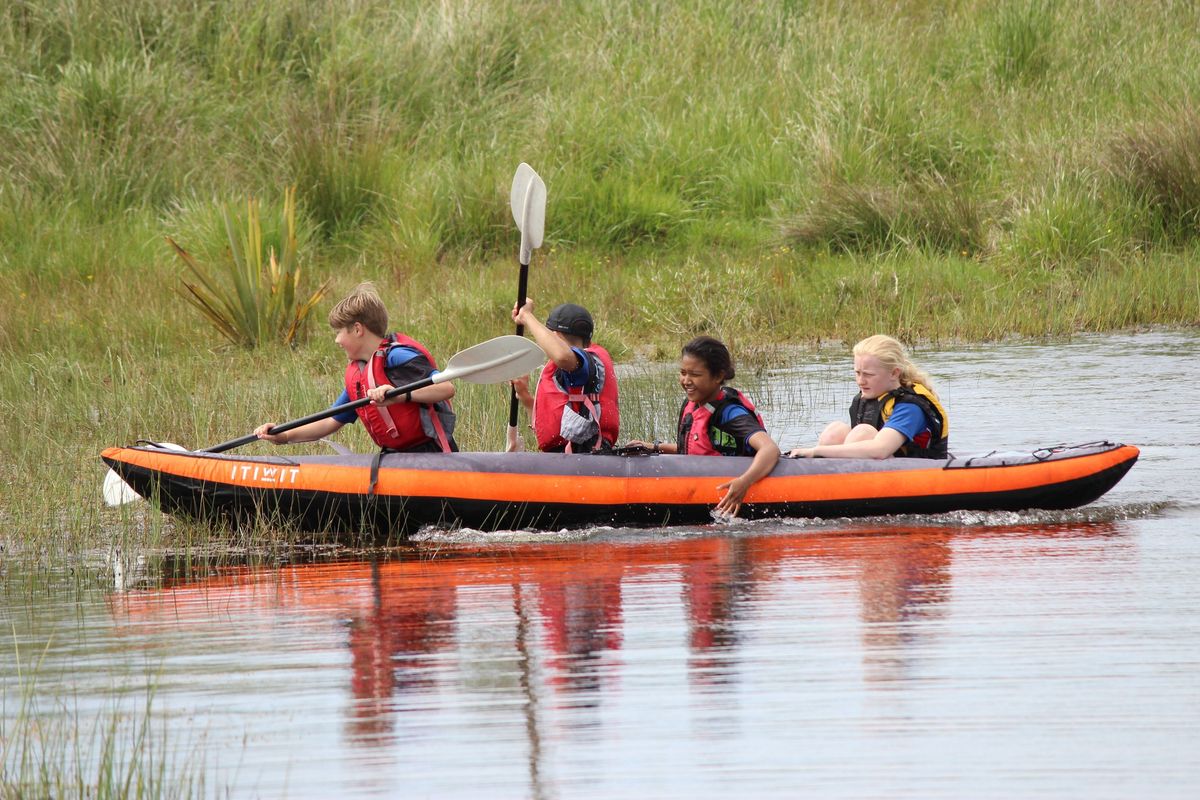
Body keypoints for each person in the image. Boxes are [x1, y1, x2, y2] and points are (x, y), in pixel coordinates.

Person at [254, 282, 457, 453]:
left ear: (358, 329)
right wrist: (283, 435)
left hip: (433, 453)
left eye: (339, 332)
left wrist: (399, 395)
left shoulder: (396, 356)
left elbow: (446, 388)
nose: (336, 340)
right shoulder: (360, 375)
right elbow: (328, 422)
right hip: (396, 458)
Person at [630, 335, 780, 518]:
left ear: (718, 376)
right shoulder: (693, 405)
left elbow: (770, 449)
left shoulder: (731, 413)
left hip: (741, 484)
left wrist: (744, 482)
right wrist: (655, 447)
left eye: (695, 375)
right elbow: (696, 452)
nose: (686, 381)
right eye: (683, 373)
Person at [789, 334, 948, 460]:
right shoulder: (870, 398)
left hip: (913, 475)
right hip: (881, 469)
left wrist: (816, 451)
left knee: (862, 433)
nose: (860, 381)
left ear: (894, 373)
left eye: (868, 375)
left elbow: (880, 449)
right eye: (857, 373)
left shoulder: (910, 408)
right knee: (835, 431)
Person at [510, 299, 619, 453]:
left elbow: (562, 356)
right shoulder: (572, 372)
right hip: (567, 458)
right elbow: (552, 425)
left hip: (583, 457)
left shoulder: (583, 364)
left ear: (555, 336)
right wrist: (525, 396)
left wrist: (527, 316)